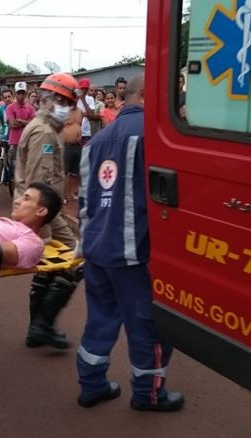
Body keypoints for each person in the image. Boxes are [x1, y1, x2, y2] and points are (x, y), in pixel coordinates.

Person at [75, 75, 184, 411]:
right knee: (148, 327)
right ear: (147, 95)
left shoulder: (95, 141)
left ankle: (92, 385)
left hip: (96, 248)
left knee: (100, 319)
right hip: (135, 251)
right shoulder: (157, 136)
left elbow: (84, 201)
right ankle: (149, 394)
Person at [15, 72, 83, 349]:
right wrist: (41, 228)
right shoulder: (43, 132)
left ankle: (38, 327)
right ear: (52, 100)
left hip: (46, 213)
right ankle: (42, 324)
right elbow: (38, 189)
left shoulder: (44, 128)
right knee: (77, 259)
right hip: (43, 213)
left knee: (49, 266)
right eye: (65, 102)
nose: (69, 109)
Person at [6, 81, 36, 182]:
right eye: (19, 93)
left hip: (28, 140)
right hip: (15, 141)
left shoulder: (30, 108)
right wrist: (28, 123)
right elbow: (12, 124)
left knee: (28, 165)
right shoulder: (10, 107)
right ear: (15, 94)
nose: (21, 95)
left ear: (26, 94)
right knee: (15, 165)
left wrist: (21, 121)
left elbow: (34, 124)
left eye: (23, 93)